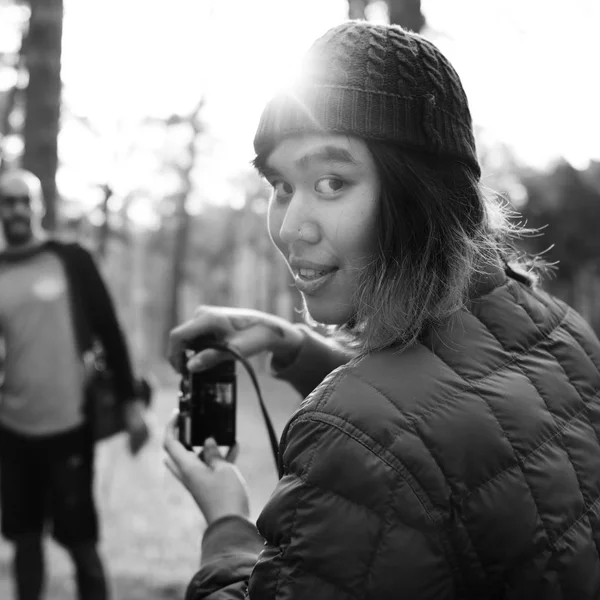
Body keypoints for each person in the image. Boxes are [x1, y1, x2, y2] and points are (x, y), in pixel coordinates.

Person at [163, 20, 600, 599]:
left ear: (423, 194)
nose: (290, 226)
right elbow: (457, 426)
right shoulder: (562, 332)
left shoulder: (352, 435)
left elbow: (399, 438)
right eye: (280, 184)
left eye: (331, 182)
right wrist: (294, 347)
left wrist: (226, 526)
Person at [0, 169, 149, 600]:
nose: (16, 209)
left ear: (39, 206)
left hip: (69, 428)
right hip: (11, 432)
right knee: (24, 541)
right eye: (6, 201)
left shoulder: (71, 259)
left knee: (82, 543)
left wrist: (130, 403)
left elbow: (109, 329)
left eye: (23, 200)